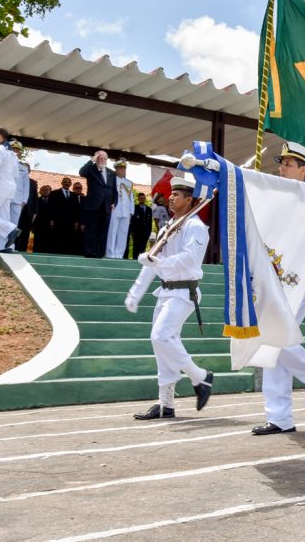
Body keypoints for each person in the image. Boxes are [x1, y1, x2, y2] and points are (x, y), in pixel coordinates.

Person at [251, 142, 305, 436]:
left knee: (274, 337)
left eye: (289, 164)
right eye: (282, 163)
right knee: (272, 344)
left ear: (304, 170)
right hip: (273, 273)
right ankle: (280, 416)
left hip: (298, 276)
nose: (282, 168)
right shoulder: (274, 196)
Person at [125, 173, 214, 419]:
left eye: (176, 195)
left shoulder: (195, 227)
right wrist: (136, 292)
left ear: (189, 200)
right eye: (171, 194)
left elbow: (189, 259)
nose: (171, 198)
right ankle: (166, 404)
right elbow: (152, 263)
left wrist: (158, 262)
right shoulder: (168, 226)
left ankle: (200, 376)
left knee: (161, 337)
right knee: (161, 346)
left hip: (184, 291)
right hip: (165, 291)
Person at [78, 150, 117, 258]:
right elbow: (81, 172)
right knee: (91, 230)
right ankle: (90, 253)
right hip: (93, 206)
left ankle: (100, 253)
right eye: (101, 158)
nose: (103, 160)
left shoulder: (111, 173)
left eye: (105, 159)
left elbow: (114, 190)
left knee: (103, 231)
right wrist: (92, 160)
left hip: (106, 207)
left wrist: (114, 202)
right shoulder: (91, 170)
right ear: (96, 159)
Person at [106, 160, 134, 259]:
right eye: (120, 168)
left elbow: (131, 198)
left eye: (124, 168)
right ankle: (110, 254)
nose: (122, 170)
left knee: (123, 234)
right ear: (116, 169)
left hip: (126, 211)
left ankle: (119, 255)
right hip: (115, 210)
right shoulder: (112, 180)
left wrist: (131, 211)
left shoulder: (129, 183)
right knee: (112, 232)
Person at [130, 192, 154, 259]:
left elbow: (150, 222)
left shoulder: (149, 209)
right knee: (136, 247)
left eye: (144, 198)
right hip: (137, 232)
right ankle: (134, 260)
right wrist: (132, 231)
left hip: (145, 232)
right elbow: (132, 221)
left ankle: (142, 260)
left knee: (143, 247)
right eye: (141, 198)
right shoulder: (135, 208)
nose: (142, 200)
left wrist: (149, 231)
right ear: (138, 199)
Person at [32, 185, 54, 253]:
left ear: (50, 191)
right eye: (43, 190)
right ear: (40, 192)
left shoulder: (54, 202)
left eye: (47, 190)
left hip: (50, 226)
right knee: (37, 244)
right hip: (38, 226)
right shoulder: (36, 201)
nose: (45, 191)